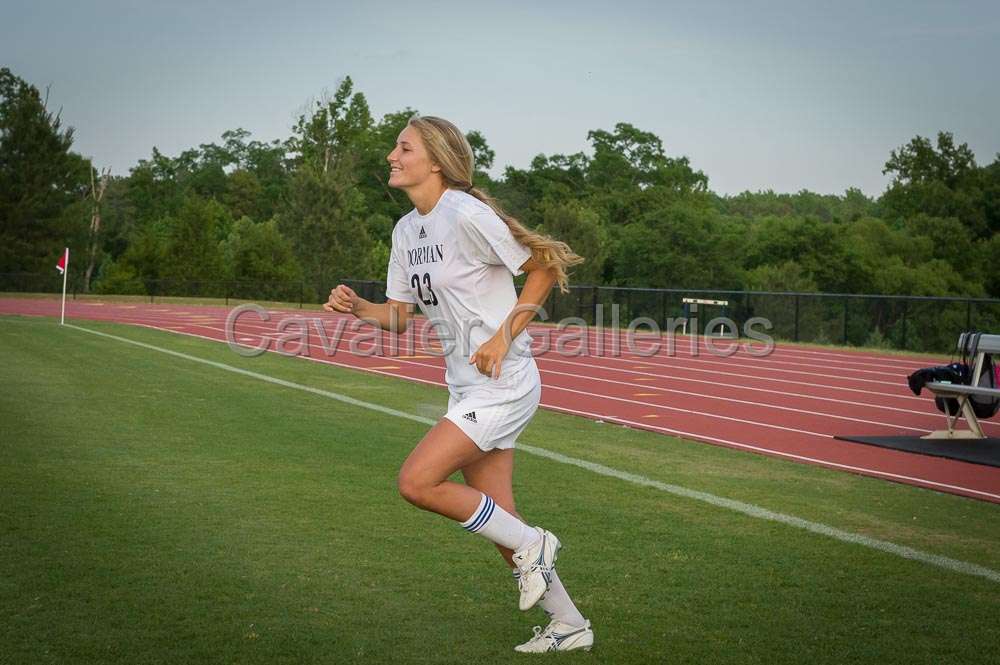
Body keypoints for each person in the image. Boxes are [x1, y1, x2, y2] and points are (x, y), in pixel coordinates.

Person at [323, 115, 594, 653]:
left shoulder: (466, 213)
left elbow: (541, 267)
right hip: (466, 386)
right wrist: (358, 307)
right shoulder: (406, 230)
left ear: (436, 161)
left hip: (506, 381)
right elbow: (399, 316)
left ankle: (539, 543)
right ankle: (569, 624)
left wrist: (501, 337)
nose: (391, 157)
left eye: (403, 148)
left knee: (417, 481)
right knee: (501, 523)